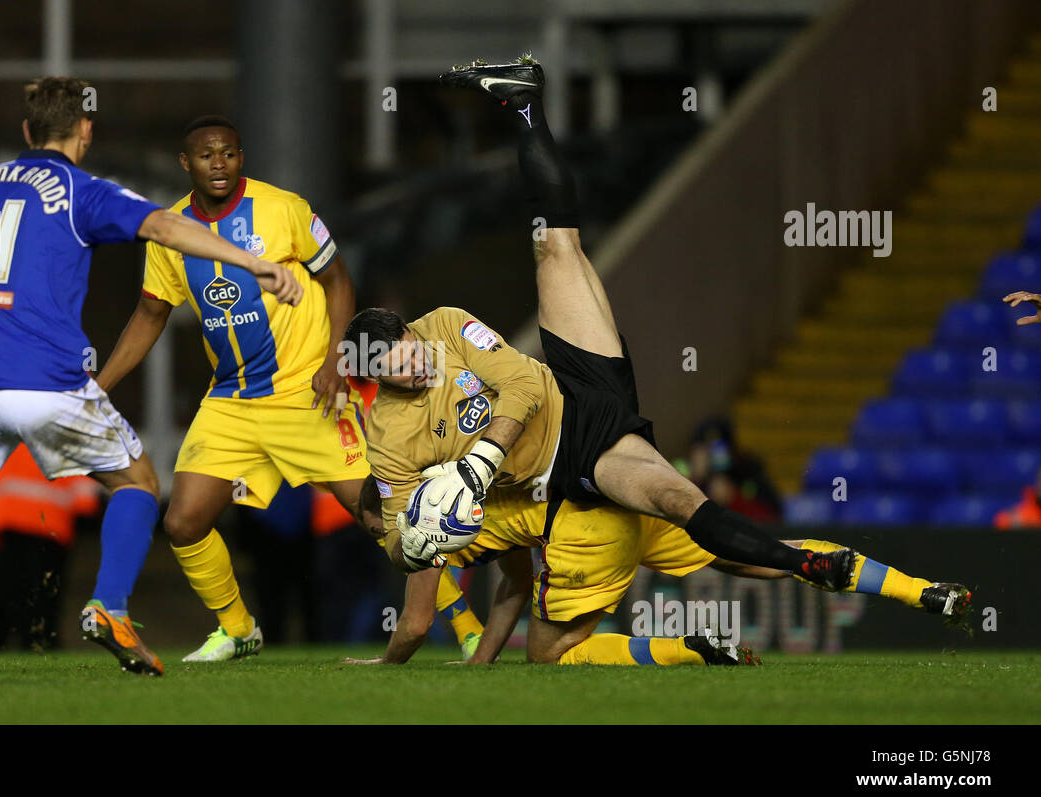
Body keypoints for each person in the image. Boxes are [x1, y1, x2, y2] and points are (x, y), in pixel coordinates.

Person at [343, 57, 972, 660]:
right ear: (378, 381)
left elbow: (521, 390)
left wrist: (479, 465)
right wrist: (414, 547)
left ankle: (523, 102)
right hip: (583, 453)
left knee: (556, 247)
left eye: (409, 349)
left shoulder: (445, 325)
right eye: (395, 368)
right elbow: (394, 533)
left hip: (568, 384)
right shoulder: (388, 437)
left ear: (408, 329)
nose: (413, 364)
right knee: (683, 506)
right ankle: (813, 564)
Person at [0, 77, 299, 678]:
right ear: (86, 131)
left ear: (26, 133)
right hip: (42, 380)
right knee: (138, 483)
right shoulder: (79, 190)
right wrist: (253, 262)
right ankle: (111, 609)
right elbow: (164, 228)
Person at [97, 115, 369, 662]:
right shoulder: (169, 230)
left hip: (304, 391)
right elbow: (150, 313)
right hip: (232, 400)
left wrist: (337, 358)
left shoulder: (283, 208)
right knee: (183, 520)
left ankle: (466, 628)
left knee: (377, 516)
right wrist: (98, 386)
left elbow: (338, 278)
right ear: (186, 164)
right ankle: (239, 628)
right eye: (206, 154)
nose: (218, 163)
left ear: (241, 159)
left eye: (229, 153)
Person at [352, 475, 963, 666]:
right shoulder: (463, 484)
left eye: (376, 528)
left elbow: (411, 626)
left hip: (585, 528)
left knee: (549, 657)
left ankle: (687, 650)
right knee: (768, 558)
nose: (381, 537)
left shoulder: (419, 533)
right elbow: (512, 580)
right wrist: (478, 662)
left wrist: (381, 667)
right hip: (629, 489)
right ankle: (922, 590)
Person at [0, 444, 100, 650]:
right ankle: (39, 644)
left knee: (4, 595)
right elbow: (84, 494)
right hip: (52, 528)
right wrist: (86, 516)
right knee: (43, 600)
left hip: (8, 523)